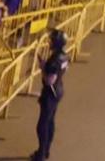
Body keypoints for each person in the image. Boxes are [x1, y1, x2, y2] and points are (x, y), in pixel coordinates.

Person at [32, 29, 68, 160]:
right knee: (50, 121)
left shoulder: (54, 60)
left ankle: (41, 154)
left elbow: (49, 79)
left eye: (52, 40)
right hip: (58, 90)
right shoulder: (64, 56)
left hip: (50, 93)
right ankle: (46, 150)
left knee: (42, 125)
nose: (50, 42)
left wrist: (43, 67)